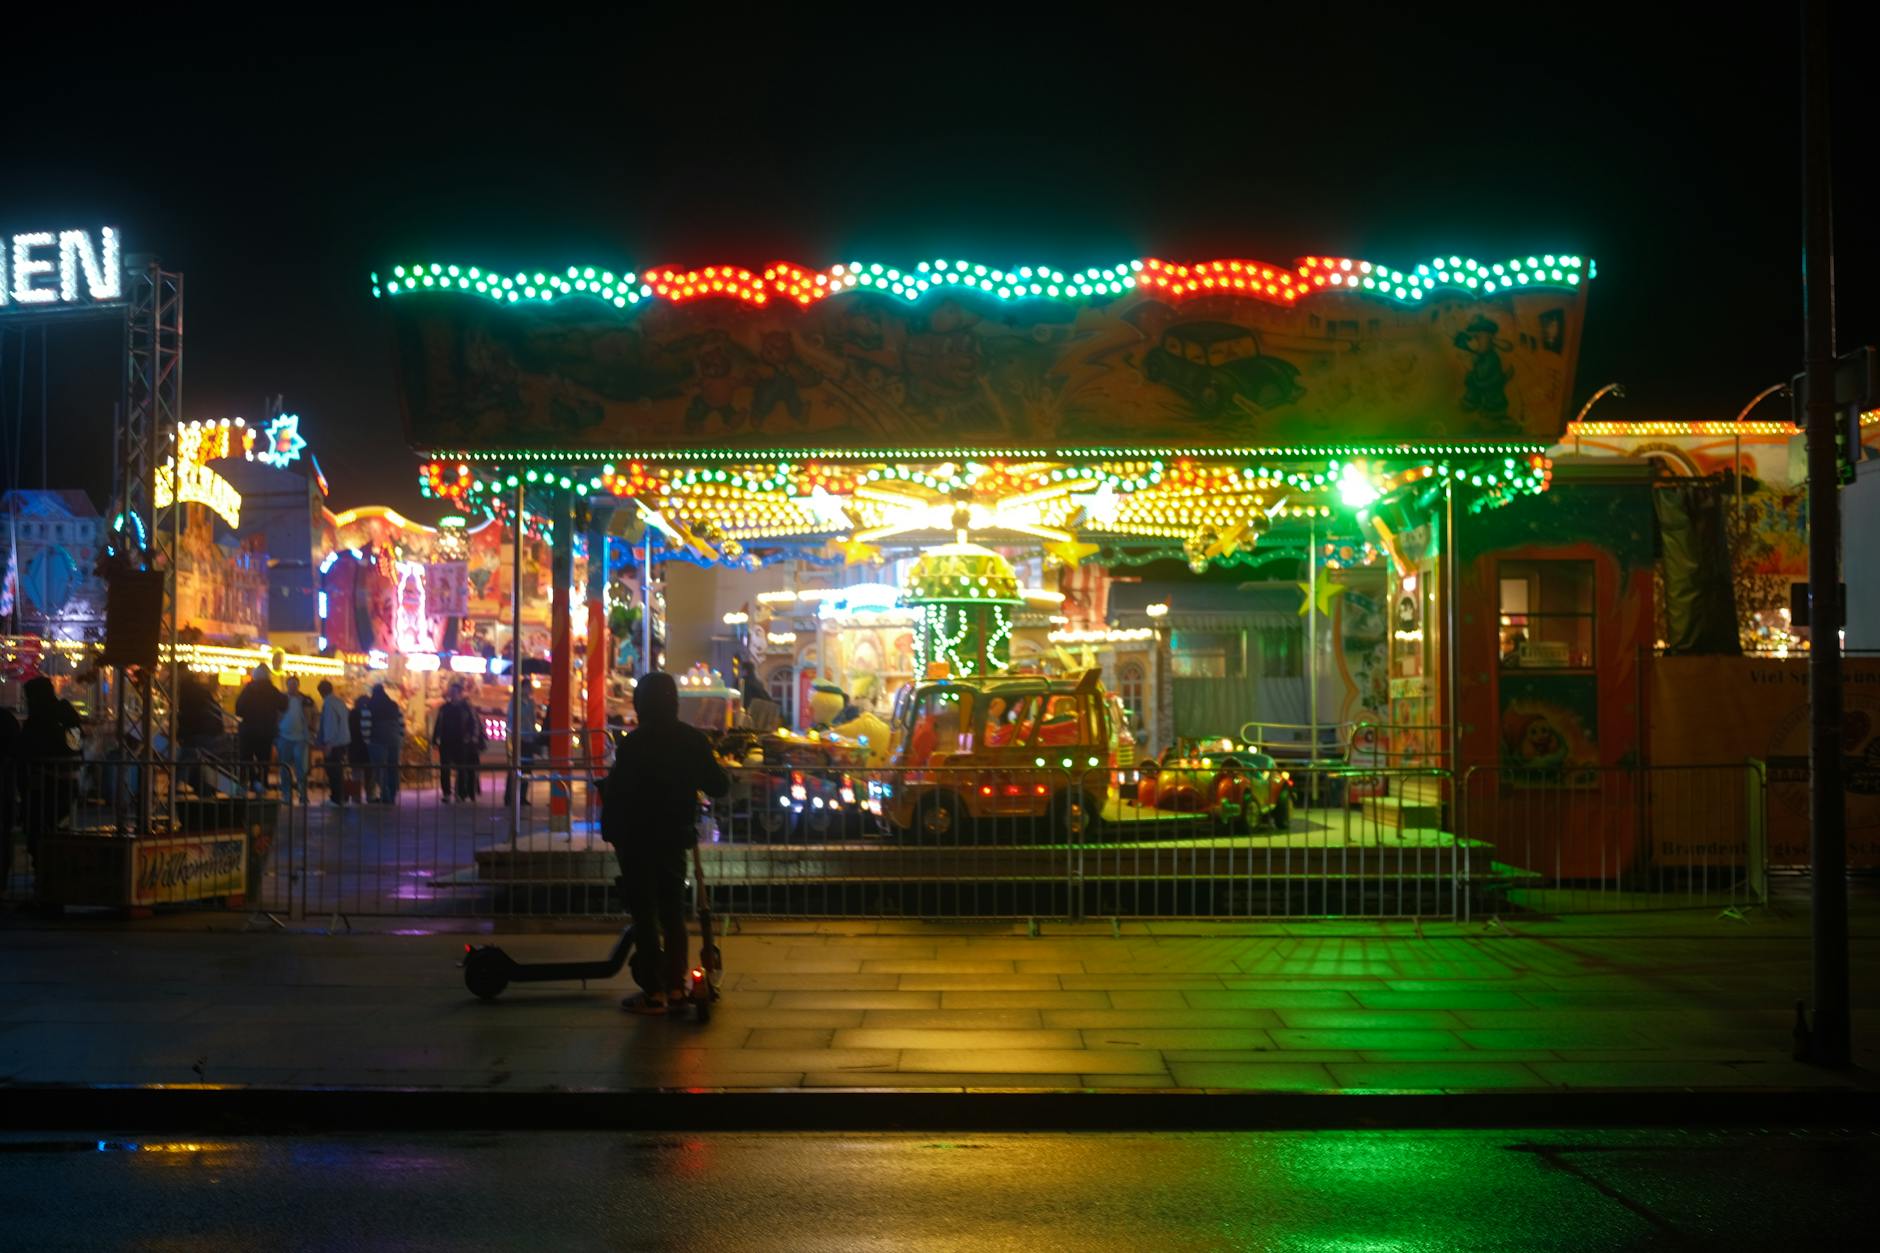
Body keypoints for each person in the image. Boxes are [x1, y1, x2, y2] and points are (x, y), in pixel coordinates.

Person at [601, 671, 731, 1014]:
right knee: (673, 912)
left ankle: (653, 991)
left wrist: (611, 830)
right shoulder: (691, 740)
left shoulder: (632, 744)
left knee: (645, 913)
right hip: (674, 836)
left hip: (637, 837)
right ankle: (676, 987)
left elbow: (617, 793)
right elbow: (718, 785)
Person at [18, 676, 83, 869]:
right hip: (61, 782)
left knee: (41, 832)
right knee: (54, 832)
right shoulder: (64, 713)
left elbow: (27, 747)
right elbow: (75, 744)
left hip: (47, 783)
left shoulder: (41, 717)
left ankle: (46, 878)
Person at [234, 664, 286, 794]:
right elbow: (284, 705)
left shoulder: (248, 690)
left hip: (248, 729)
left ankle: (245, 782)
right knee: (264, 759)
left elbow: (239, 709)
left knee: (246, 758)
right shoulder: (273, 690)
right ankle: (261, 782)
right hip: (266, 730)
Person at [432, 681, 485, 802]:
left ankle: (461, 793)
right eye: (452, 692)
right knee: (445, 769)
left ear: (460, 694)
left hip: (461, 742)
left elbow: (473, 724)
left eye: (455, 692)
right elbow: (439, 724)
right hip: (446, 742)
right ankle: (446, 793)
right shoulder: (444, 708)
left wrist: (471, 738)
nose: (453, 694)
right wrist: (435, 739)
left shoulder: (466, 708)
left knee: (461, 769)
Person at [176, 675, 227, 796]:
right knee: (203, 761)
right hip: (209, 732)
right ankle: (207, 788)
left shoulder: (185, 697)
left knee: (186, 759)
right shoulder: (203, 694)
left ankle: (177, 785)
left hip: (195, 732)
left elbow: (185, 718)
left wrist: (180, 733)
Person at [274, 676, 315, 804]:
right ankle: (287, 794)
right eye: (290, 684)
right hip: (285, 736)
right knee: (285, 767)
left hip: (300, 738)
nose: (292, 687)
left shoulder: (305, 700)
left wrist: (311, 731)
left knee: (300, 768)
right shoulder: (281, 699)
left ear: (298, 685)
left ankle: (302, 793)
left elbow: (313, 716)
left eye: (294, 684)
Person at [367, 683, 405, 804]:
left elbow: (365, 725)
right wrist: (401, 737)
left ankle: (385, 794)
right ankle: (392, 794)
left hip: (377, 740)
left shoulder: (370, 706)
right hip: (394, 740)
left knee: (380, 769)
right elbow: (401, 723)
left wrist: (367, 740)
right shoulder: (394, 705)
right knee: (392, 768)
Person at [503, 684, 539, 807]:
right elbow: (514, 718)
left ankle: (523, 796)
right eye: (527, 687)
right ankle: (510, 796)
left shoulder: (531, 702)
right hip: (518, 738)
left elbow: (533, 720)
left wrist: (534, 735)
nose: (529, 690)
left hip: (529, 738)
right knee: (516, 767)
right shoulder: (514, 702)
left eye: (529, 688)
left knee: (527, 768)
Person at [316, 680, 351, 805]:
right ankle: (341, 797)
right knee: (339, 771)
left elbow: (330, 725)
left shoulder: (328, 704)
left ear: (320, 692)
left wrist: (328, 743)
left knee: (333, 771)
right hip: (344, 741)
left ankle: (336, 798)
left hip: (334, 743)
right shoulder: (340, 702)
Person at [348, 693, 376, 802]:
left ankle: (356, 796)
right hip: (367, 747)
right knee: (369, 773)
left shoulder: (352, 714)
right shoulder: (370, 713)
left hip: (354, 747)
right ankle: (370, 795)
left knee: (356, 774)